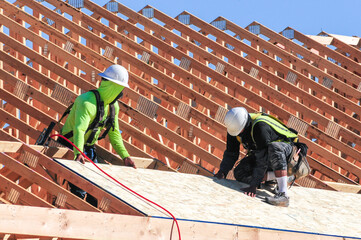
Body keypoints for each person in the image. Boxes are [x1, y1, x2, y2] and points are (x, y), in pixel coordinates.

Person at [58, 64, 136, 207]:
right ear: (114, 87)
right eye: (121, 89)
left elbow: (114, 134)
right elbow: (79, 129)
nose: (121, 93)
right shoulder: (87, 101)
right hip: (70, 145)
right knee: (80, 188)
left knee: (97, 189)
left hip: (87, 148)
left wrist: (125, 156)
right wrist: (78, 152)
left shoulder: (112, 106)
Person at [214, 107, 298, 207]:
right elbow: (231, 152)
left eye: (241, 131)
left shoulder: (260, 127)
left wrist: (253, 185)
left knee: (274, 147)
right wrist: (222, 172)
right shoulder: (233, 129)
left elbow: (263, 158)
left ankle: (283, 194)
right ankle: (281, 177)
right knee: (240, 173)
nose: (240, 133)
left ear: (246, 123)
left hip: (289, 155)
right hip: (269, 156)